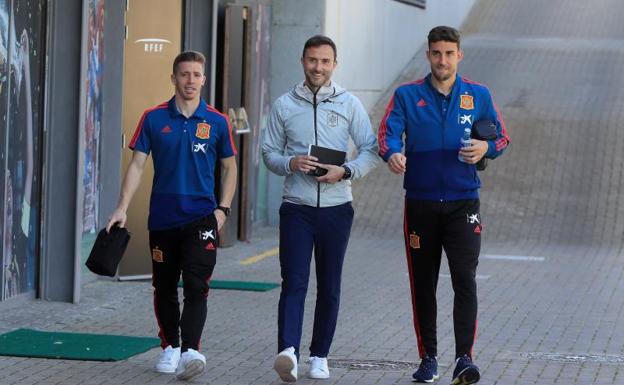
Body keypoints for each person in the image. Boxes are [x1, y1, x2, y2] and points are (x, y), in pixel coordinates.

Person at [378, 26, 510, 385]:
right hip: (420, 205)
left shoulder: (478, 95)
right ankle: (428, 359)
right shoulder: (407, 95)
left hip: (463, 202)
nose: (442, 60)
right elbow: (387, 132)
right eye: (436, 53)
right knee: (423, 283)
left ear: (459, 56)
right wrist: (392, 153)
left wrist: (487, 148)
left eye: (449, 53)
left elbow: (501, 136)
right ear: (428, 55)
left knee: (464, 280)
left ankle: (464, 358)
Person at [106, 51, 237, 381]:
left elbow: (229, 167)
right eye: (184, 74)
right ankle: (170, 347)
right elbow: (137, 165)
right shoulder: (153, 118)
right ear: (173, 78)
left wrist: (222, 209)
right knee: (164, 286)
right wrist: (121, 207)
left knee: (196, 285)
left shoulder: (217, 121)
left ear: (204, 79)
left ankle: (191, 350)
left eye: (196, 74)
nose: (190, 80)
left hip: (202, 218)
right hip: (163, 218)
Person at [262, 35, 378, 382]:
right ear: (302, 61)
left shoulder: (349, 104)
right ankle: (288, 352)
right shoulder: (284, 105)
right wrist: (290, 162)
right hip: (296, 207)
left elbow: (370, 150)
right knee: (294, 281)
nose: (318, 67)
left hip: (336, 208)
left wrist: (346, 171)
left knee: (329, 285)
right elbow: (268, 153)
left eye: (325, 61)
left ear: (334, 65)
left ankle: (320, 355)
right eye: (312, 60)